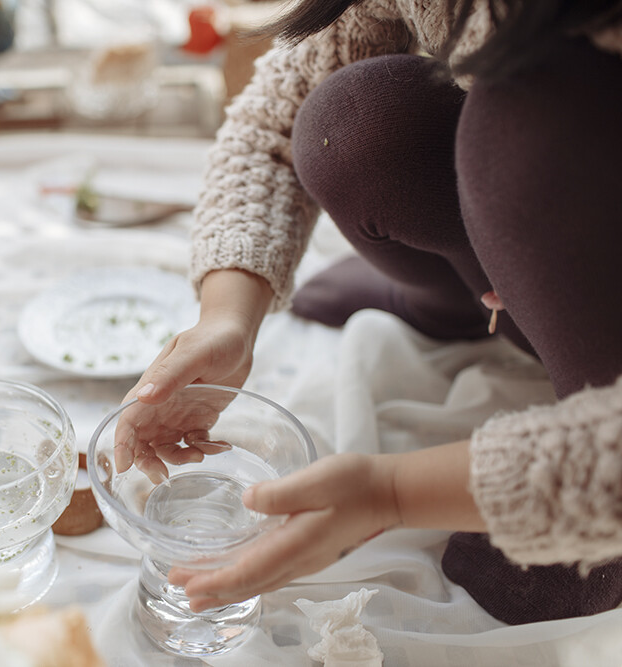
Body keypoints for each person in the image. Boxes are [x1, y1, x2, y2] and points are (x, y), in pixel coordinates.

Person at [118, 0, 622, 626]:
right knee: (355, 116)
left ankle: (598, 546)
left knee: (517, 131)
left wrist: (390, 494)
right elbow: (273, 122)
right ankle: (454, 303)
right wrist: (228, 318)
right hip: (538, 220)